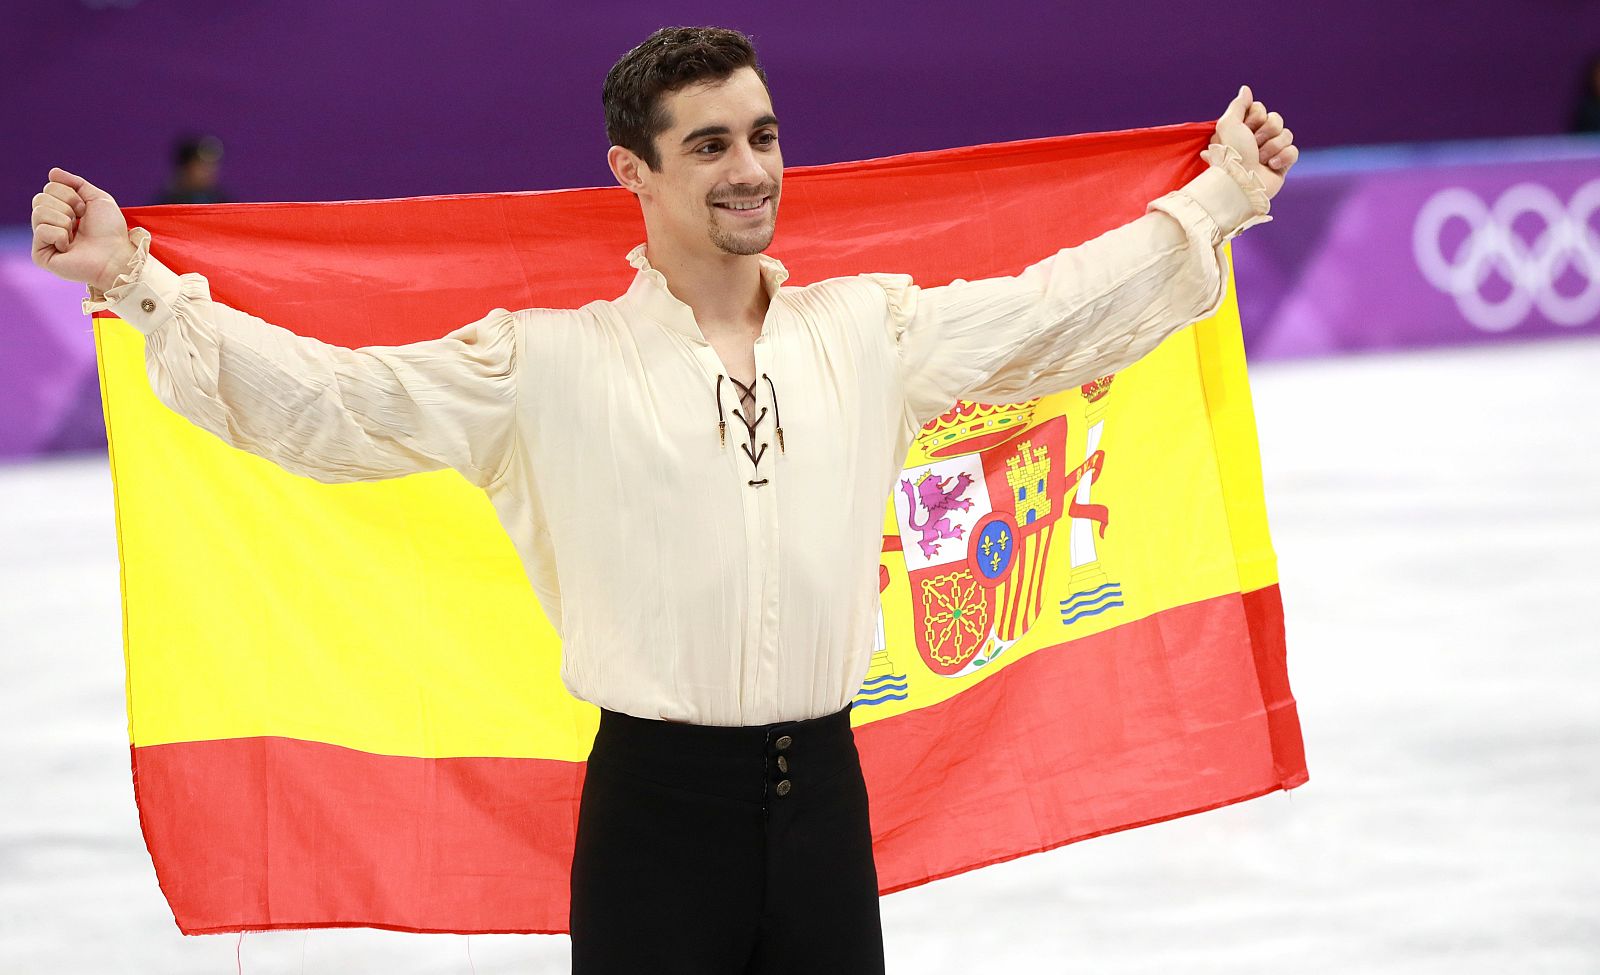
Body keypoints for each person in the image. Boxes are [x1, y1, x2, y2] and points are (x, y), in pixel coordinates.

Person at [29, 25, 1297, 975]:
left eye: (762, 137)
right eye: (710, 146)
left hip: (824, 812)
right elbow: (334, 402)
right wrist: (137, 280)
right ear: (631, 170)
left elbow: (1050, 314)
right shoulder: (544, 364)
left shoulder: (869, 332)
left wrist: (1218, 198)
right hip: (651, 817)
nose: (750, 169)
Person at [154, 134, 231, 205]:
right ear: (186, 167)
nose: (209, 171)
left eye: (212, 164)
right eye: (201, 165)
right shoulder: (167, 203)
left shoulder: (222, 202)